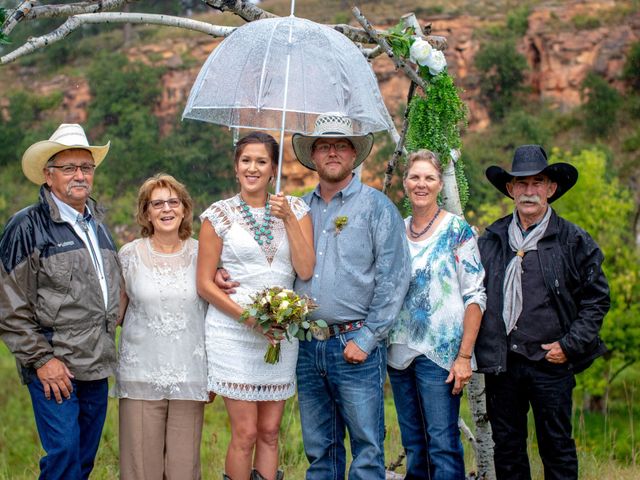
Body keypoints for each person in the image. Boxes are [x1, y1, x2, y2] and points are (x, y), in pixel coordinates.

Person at [475, 144, 610, 479]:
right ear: (510, 189)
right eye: (522, 183)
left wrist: (569, 345)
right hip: (503, 364)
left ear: (551, 189)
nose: (529, 190)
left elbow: (597, 299)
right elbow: (474, 294)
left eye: (538, 183)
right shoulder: (492, 238)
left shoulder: (573, 240)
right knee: (507, 450)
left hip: (551, 363)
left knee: (557, 448)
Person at [291, 113, 411, 479]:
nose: (332, 152)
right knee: (320, 450)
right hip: (308, 345)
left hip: (354, 345)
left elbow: (395, 278)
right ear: (313, 155)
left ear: (353, 154)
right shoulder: (297, 209)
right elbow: (273, 263)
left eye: (340, 145)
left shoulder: (376, 207)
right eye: (323, 146)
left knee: (367, 450)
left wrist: (368, 337)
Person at [0, 124, 121, 479]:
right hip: (56, 364)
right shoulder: (26, 226)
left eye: (86, 167)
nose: (80, 175)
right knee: (64, 454)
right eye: (69, 168)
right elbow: (9, 304)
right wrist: (41, 359)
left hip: (96, 363)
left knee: (83, 459)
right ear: (48, 175)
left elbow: (112, 290)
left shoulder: (97, 226)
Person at [197, 131, 315, 480]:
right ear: (236, 168)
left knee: (270, 431)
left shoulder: (296, 210)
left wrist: (289, 219)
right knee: (246, 432)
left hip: (280, 335)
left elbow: (306, 269)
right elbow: (204, 283)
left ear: (273, 168)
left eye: (261, 161)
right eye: (246, 160)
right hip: (233, 334)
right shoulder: (218, 215)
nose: (253, 167)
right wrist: (251, 320)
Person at [387, 150, 486, 480]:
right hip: (398, 354)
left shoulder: (457, 230)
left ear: (439, 184)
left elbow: (475, 297)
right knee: (414, 445)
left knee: (443, 445)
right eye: (414, 177)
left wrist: (464, 357)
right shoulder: (396, 231)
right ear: (404, 183)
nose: (421, 184)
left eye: (429, 177)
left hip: (440, 358)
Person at [113, 174, 209, 479]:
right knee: (141, 470)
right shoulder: (129, 256)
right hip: (140, 376)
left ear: (184, 209)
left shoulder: (203, 253)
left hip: (190, 377)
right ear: (146, 212)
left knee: (183, 470)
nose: (166, 209)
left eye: (173, 201)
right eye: (157, 203)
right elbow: (114, 314)